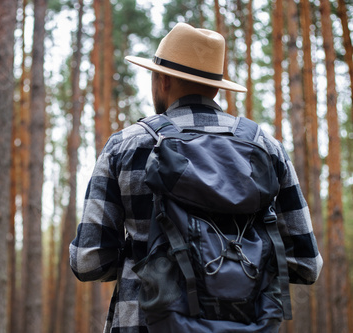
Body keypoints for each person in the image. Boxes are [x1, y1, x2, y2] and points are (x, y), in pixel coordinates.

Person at [70, 22, 323, 333]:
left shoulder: (126, 145)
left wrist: (144, 251)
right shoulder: (266, 148)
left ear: (162, 80)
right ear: (216, 87)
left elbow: (88, 262)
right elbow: (307, 265)